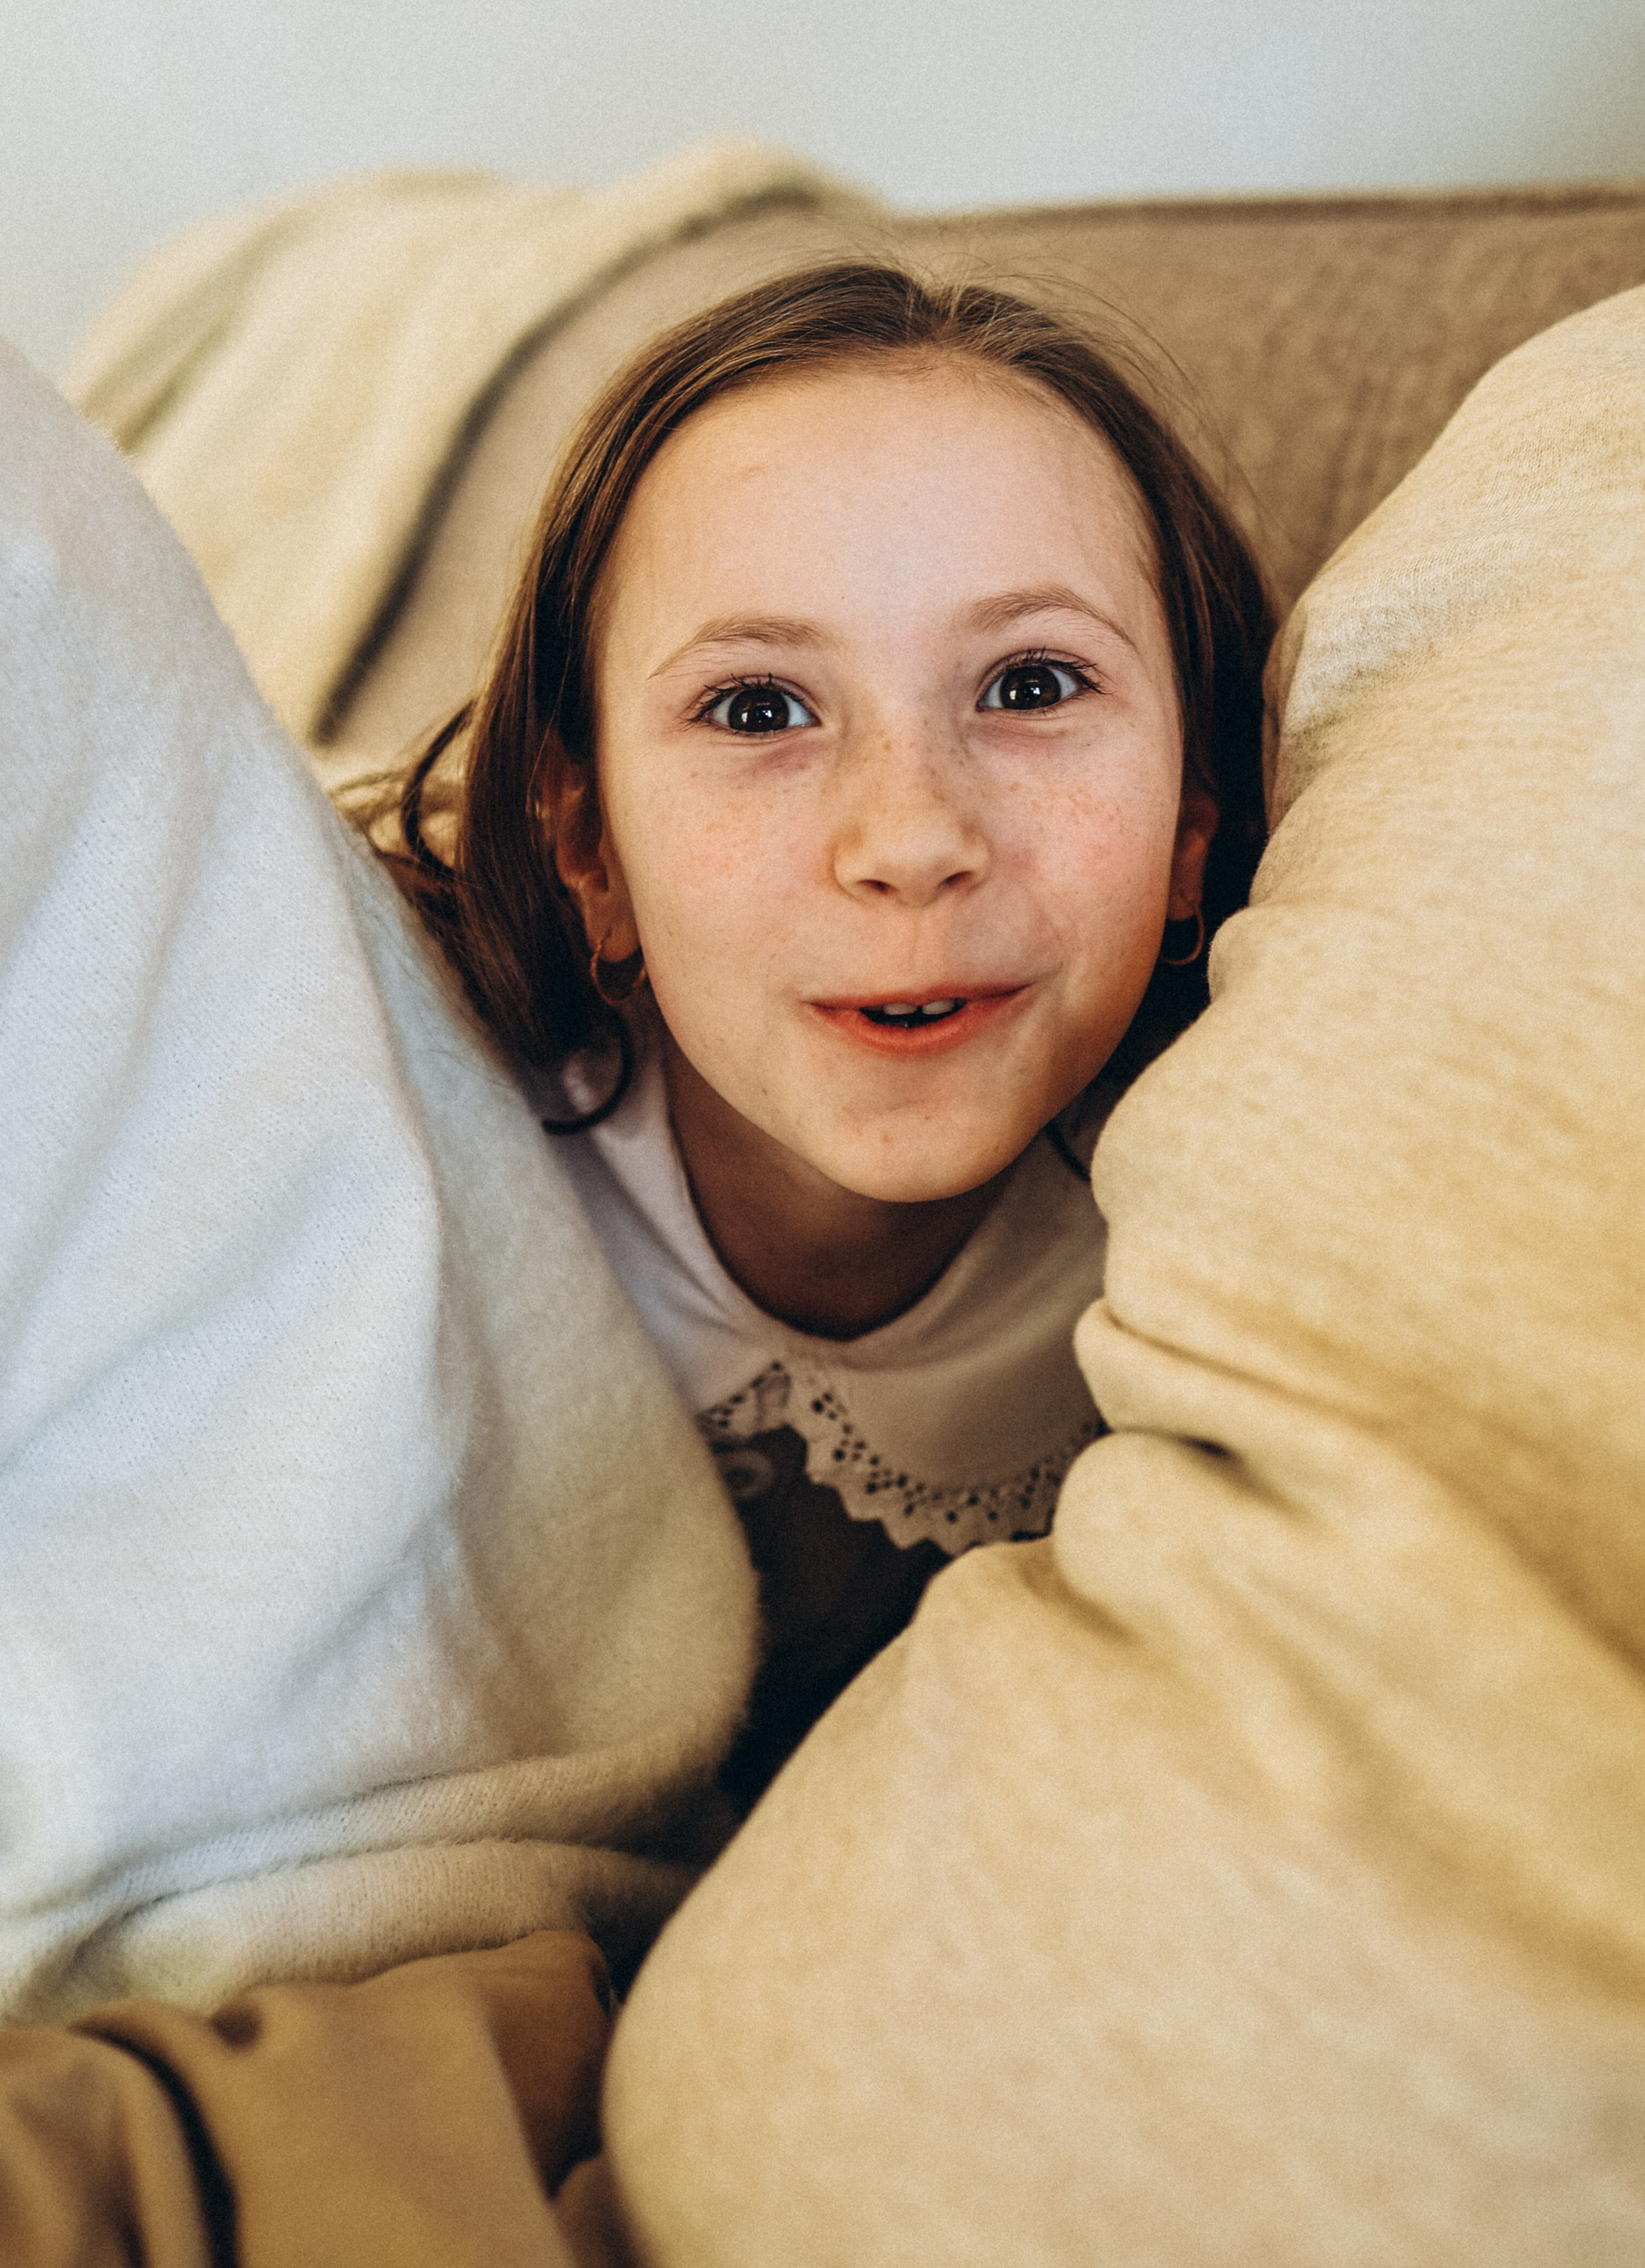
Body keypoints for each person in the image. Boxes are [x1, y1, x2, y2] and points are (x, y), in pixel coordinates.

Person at [357, 262, 1270, 1795]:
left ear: (1194, 826)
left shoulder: (1260, 1222)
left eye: (1031, 683)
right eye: (759, 710)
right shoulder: (388, 1119)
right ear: (591, 853)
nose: (909, 835)